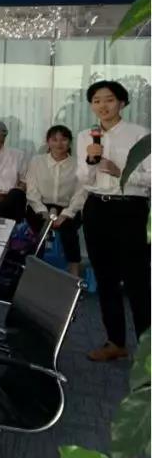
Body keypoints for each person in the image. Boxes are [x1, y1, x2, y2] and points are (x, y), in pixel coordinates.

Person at [75, 81, 150, 363]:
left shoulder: (140, 134)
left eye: (108, 99)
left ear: (122, 102)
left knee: (137, 281)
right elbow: (83, 178)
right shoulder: (86, 136)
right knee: (105, 279)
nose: (102, 106)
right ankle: (115, 342)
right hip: (97, 208)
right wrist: (91, 162)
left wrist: (122, 172)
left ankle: (147, 350)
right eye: (96, 101)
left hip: (130, 209)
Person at [25, 125, 85, 278]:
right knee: (39, 232)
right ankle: (35, 272)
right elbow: (32, 190)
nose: (59, 144)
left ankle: (74, 274)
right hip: (40, 206)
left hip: (67, 208)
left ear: (70, 142)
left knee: (69, 232)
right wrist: (42, 211)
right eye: (54, 139)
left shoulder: (78, 164)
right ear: (48, 142)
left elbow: (80, 193)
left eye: (64, 139)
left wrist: (66, 214)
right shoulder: (37, 161)